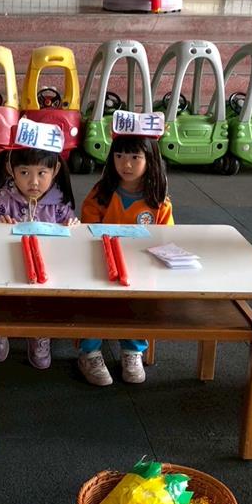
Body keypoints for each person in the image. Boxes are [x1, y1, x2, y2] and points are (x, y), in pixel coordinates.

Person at [77, 124, 173, 386]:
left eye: (134, 157)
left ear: (150, 159)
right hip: (102, 262)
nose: (126, 164)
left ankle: (133, 349)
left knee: (138, 303)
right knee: (94, 300)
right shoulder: (102, 193)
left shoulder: (158, 200)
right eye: (119, 156)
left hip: (140, 266)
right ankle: (89, 352)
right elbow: (87, 228)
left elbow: (166, 236)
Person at [0, 122, 77, 368]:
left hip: (46, 272)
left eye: (42, 173)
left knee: (47, 298)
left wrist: (73, 226)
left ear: (55, 170)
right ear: (10, 169)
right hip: (6, 268)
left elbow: (71, 241)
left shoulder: (60, 203)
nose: (33, 181)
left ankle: (40, 332)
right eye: (24, 172)